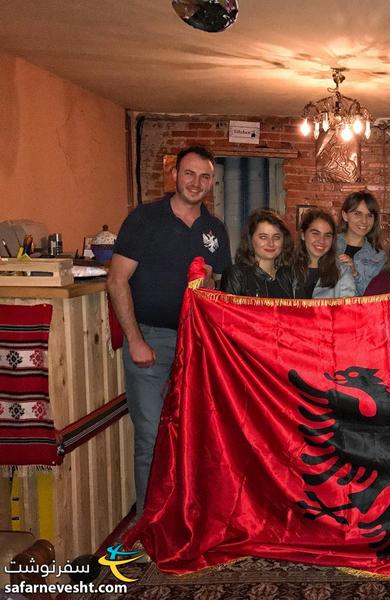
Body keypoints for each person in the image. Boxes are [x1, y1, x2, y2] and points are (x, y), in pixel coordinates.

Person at [107, 145, 231, 516]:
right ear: (174, 175)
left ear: (212, 182)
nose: (196, 182)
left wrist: (210, 282)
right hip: (152, 342)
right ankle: (151, 525)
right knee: (152, 437)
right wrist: (135, 340)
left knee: (195, 435)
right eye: (189, 174)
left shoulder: (215, 229)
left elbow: (217, 292)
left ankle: (187, 517)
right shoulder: (144, 219)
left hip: (197, 345)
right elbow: (116, 281)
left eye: (205, 177)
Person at [221, 209, 297, 298]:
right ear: (250, 239)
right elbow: (227, 311)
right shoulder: (236, 275)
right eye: (263, 237)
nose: (271, 243)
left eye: (276, 237)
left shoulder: (291, 275)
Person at [296, 208, 356, 299]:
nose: (321, 240)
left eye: (327, 235)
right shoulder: (287, 269)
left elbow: (348, 310)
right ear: (303, 235)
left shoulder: (342, 272)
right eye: (315, 233)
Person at [335, 191, 386, 295]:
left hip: (360, 311)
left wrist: (355, 273)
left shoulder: (379, 257)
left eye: (369, 215)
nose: (364, 221)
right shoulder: (329, 245)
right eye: (357, 214)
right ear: (345, 216)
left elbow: (374, 297)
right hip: (326, 310)